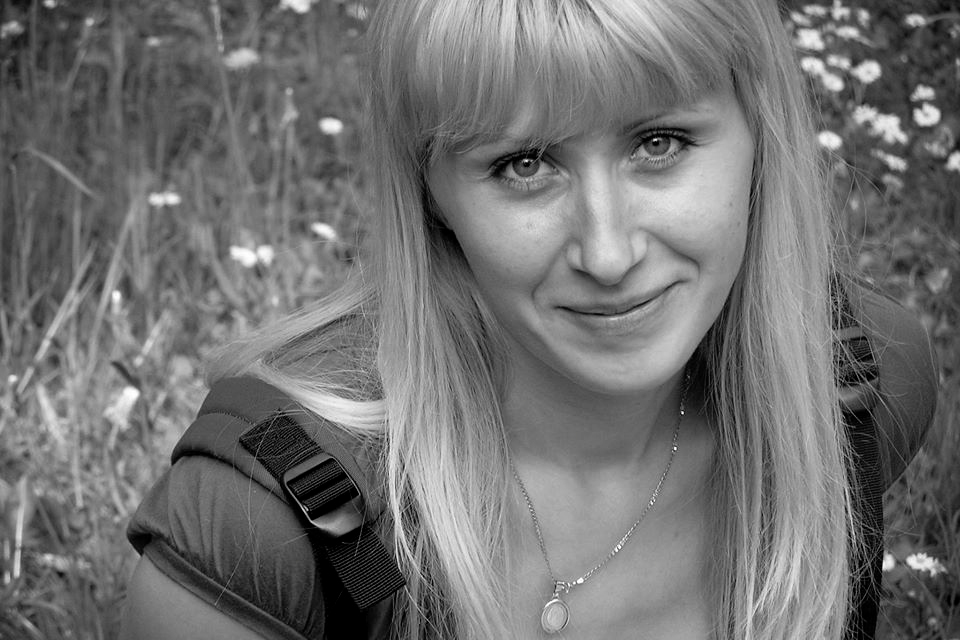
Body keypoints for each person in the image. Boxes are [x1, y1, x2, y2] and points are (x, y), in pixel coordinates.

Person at [120, 0, 939, 638]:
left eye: (659, 143)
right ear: (430, 195)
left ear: (763, 138)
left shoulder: (851, 391)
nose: (608, 253)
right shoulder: (278, 535)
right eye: (524, 164)